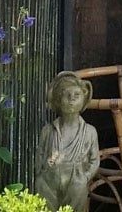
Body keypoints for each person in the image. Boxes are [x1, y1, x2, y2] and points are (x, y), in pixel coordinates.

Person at [34, 71, 101, 212]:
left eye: (76, 96)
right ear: (58, 100)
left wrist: (86, 176)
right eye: (67, 95)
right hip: (50, 179)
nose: (71, 99)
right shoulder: (47, 130)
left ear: (84, 99)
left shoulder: (89, 132)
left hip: (76, 178)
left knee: (78, 191)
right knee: (41, 187)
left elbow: (94, 160)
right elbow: (39, 154)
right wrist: (42, 168)